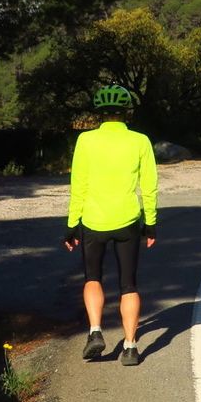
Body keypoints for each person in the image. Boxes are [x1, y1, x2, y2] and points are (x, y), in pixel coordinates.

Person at [63, 84, 158, 366]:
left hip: (93, 220)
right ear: (126, 112)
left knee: (92, 278)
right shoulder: (140, 141)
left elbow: (78, 185)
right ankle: (130, 347)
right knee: (129, 284)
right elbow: (149, 187)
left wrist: (72, 224)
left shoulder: (85, 141)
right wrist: (150, 223)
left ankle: (95, 331)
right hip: (128, 220)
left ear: (99, 113)